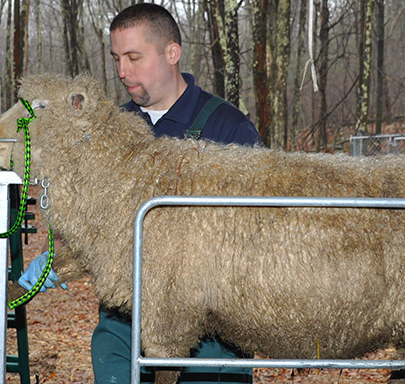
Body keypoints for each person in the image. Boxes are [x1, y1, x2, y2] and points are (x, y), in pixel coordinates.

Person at [19, 3, 262, 383]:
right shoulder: (106, 131)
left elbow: (254, 238)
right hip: (123, 328)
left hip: (210, 336)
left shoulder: (228, 128)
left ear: (171, 53)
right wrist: (61, 254)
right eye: (116, 58)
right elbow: (93, 223)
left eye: (134, 57)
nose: (122, 72)